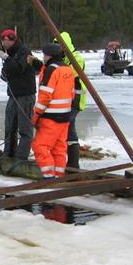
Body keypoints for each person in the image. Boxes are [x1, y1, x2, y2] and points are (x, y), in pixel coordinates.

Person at [29, 43, 74, 178]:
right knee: (59, 148)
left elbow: (45, 96)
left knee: (39, 146)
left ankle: (49, 176)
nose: (43, 58)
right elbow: (71, 93)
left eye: (44, 55)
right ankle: (59, 175)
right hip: (65, 116)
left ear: (49, 56)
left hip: (51, 116)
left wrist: (36, 115)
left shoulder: (51, 70)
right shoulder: (67, 69)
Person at [0, 29, 36, 159]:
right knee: (10, 126)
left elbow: (18, 68)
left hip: (25, 95)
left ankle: (21, 157)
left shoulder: (24, 52)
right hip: (13, 94)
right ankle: (8, 154)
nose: (3, 43)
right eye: (2, 40)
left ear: (12, 40)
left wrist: (7, 59)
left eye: (5, 40)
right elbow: (7, 72)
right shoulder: (10, 53)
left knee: (24, 128)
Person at [54, 32, 87, 168]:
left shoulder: (76, 59)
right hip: (64, 101)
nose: (57, 48)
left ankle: (72, 163)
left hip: (75, 101)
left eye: (59, 45)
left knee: (65, 128)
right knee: (68, 130)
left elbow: (66, 75)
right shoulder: (61, 60)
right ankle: (71, 163)